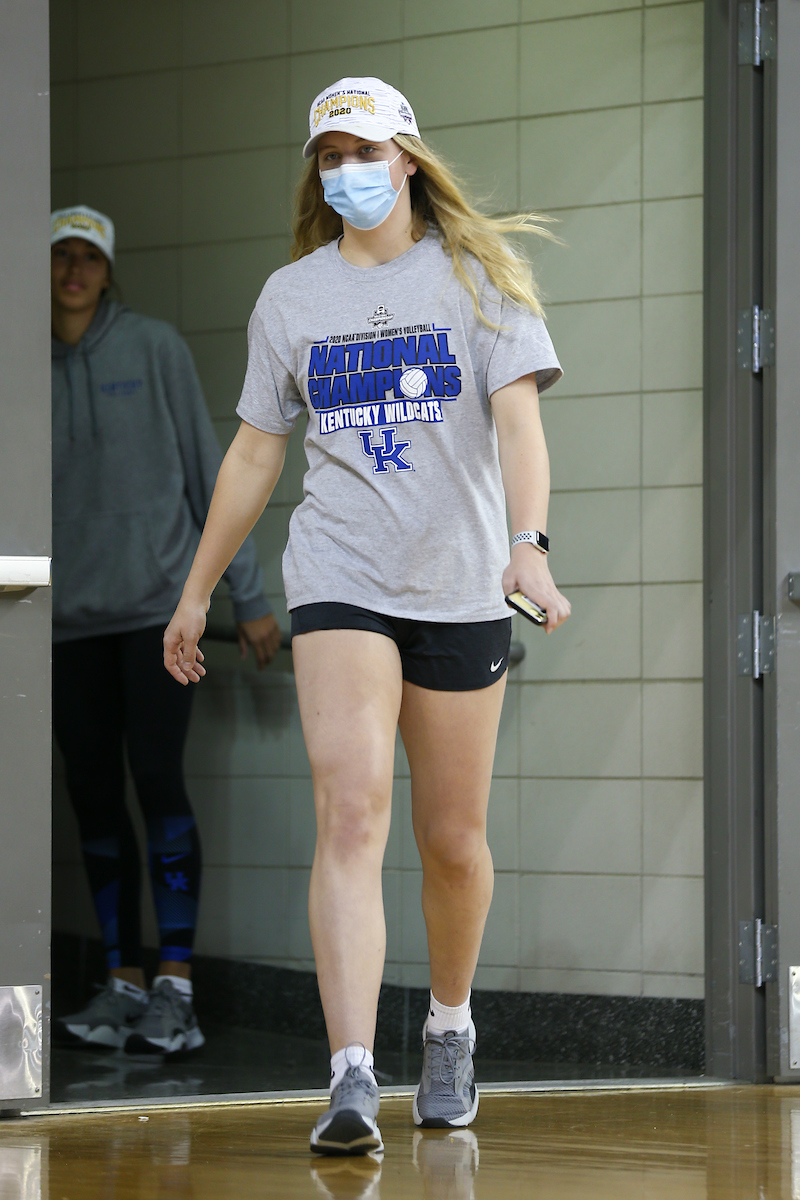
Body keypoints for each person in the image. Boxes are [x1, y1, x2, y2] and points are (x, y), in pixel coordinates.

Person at [163, 78, 570, 1148]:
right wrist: (198, 587)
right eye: (325, 152)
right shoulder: (291, 298)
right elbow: (257, 451)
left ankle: (446, 1027)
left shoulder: (476, 278)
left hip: (457, 582)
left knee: (450, 840)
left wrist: (525, 547)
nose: (342, 167)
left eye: (361, 148)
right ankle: (348, 1073)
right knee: (348, 814)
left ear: (405, 158)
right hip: (339, 578)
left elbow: (519, 428)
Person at [50, 205, 281, 1056]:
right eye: (59, 257)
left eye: (87, 258)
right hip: (65, 623)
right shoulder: (20, 367)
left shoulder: (153, 350)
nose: (72, 271)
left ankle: (175, 988)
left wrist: (247, 598)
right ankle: (122, 981)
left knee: (157, 783)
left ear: (109, 272)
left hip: (155, 616)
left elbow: (211, 473)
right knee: (92, 797)